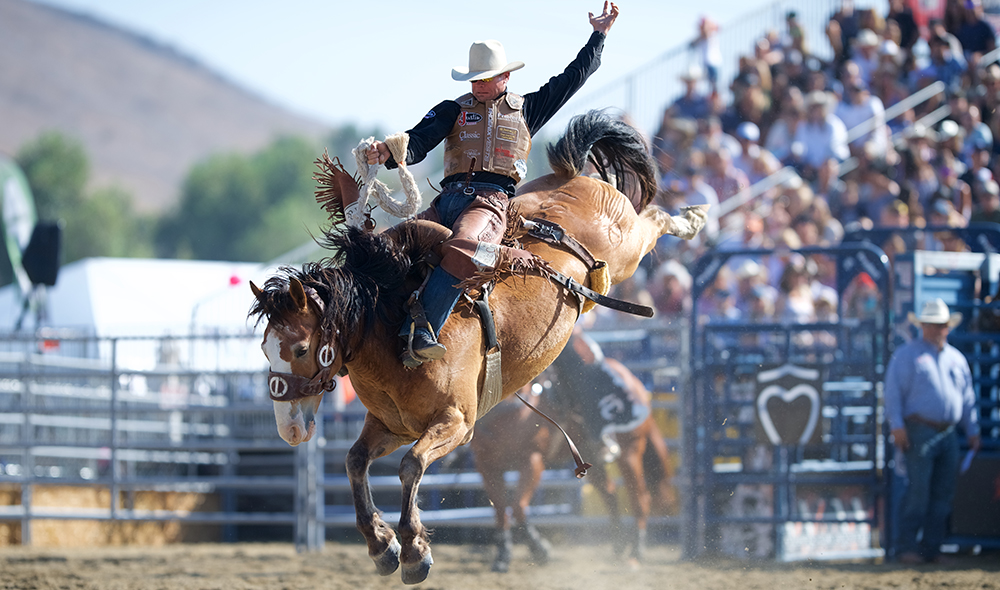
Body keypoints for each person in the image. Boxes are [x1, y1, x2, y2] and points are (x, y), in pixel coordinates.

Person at [366, 3, 620, 367]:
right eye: (475, 78)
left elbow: (573, 76)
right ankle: (360, 331)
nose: (479, 84)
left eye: (486, 77)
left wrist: (599, 35)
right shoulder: (451, 109)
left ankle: (422, 330)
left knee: (462, 248)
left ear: (505, 77)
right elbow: (418, 140)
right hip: (447, 200)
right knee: (389, 246)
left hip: (489, 204)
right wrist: (386, 153)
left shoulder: (528, 109)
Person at [884, 298, 980, 564]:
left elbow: (967, 397)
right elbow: (892, 393)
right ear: (923, 326)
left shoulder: (955, 359)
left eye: (941, 325)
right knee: (919, 492)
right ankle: (906, 547)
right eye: (933, 325)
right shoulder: (907, 355)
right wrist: (898, 426)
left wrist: (971, 429)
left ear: (947, 327)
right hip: (919, 429)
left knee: (942, 493)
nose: (937, 329)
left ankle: (931, 548)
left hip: (948, 433)